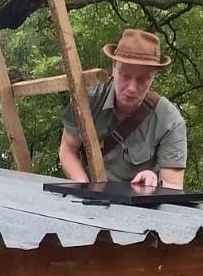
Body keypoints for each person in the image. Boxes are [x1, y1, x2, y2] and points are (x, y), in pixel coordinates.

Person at [59, 28, 186, 189]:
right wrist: (84, 186)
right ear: (114, 67)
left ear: (154, 76)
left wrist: (154, 181)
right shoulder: (86, 101)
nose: (132, 88)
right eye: (125, 75)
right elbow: (68, 150)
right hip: (90, 202)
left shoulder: (170, 121)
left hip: (140, 209)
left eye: (142, 80)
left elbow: (173, 185)